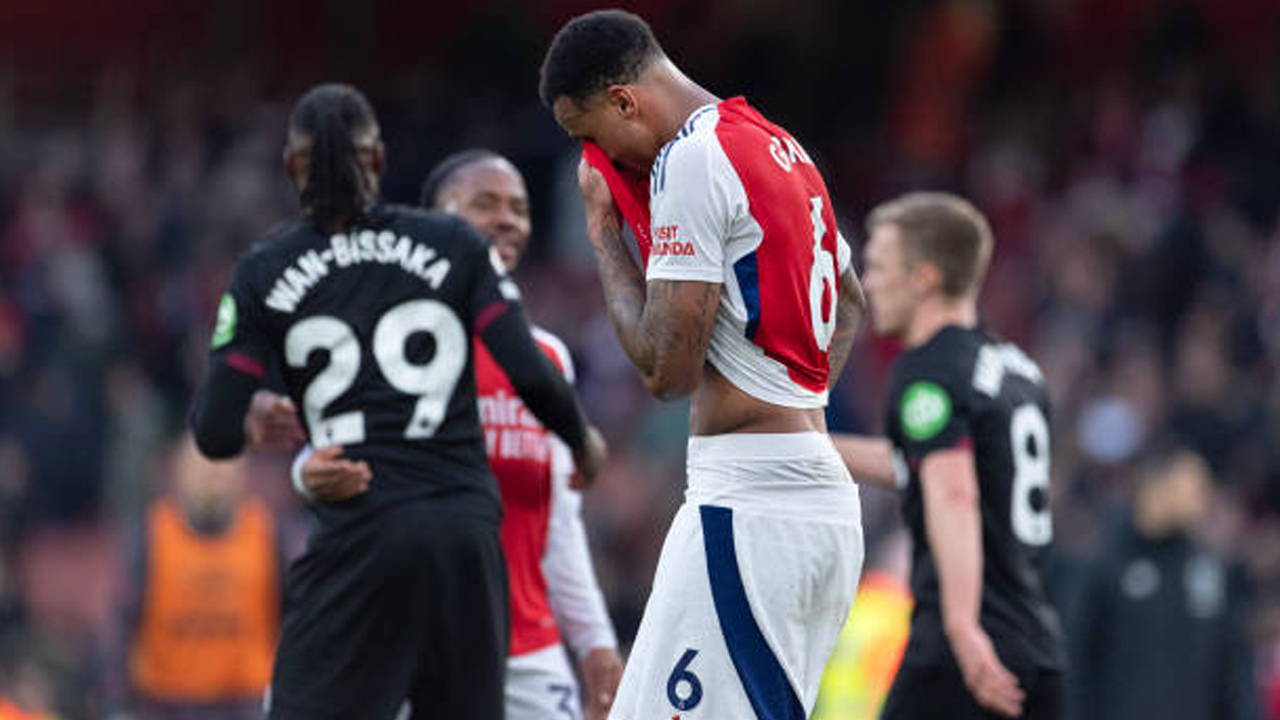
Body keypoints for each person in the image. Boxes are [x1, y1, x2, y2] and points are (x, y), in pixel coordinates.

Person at [188, 83, 604, 720]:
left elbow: (214, 432)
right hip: (465, 543)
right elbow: (531, 375)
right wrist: (583, 438)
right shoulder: (449, 246)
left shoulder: (265, 269)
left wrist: (249, 418)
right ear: (379, 160)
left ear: (290, 167)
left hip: (364, 537)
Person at [539, 10, 868, 718]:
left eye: (591, 136)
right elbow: (849, 302)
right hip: (814, 506)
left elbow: (667, 371)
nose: (600, 161)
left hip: (753, 510)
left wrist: (604, 232)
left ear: (625, 101)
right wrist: (787, 404)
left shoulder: (693, 157)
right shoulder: (781, 146)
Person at [277, 149, 624, 720]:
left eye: (519, 208)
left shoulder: (547, 362)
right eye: (484, 204)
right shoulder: (383, 347)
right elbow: (322, 463)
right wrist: (307, 475)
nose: (508, 219)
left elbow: (556, 525)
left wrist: (594, 641)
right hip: (415, 649)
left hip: (529, 654)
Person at [833, 192, 1064, 719]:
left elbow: (953, 491)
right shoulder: (1018, 372)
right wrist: (816, 449)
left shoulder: (930, 368)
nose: (868, 284)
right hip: (1035, 645)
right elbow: (932, 467)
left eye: (880, 267)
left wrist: (962, 626)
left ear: (924, 278)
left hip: (961, 654)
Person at [1068, 443, 1258, 720]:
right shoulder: (1104, 568)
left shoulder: (1212, 572)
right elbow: (1078, 667)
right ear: (1157, 486)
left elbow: (1234, 672)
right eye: (1193, 488)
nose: (1202, 500)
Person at [103, 435, 284, 720]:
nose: (213, 476)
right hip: (166, 707)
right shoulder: (151, 536)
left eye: (224, 466)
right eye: (202, 466)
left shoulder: (268, 535)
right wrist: (117, 706)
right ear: (179, 472)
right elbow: (121, 625)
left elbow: (294, 623)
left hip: (248, 707)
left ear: (242, 473)